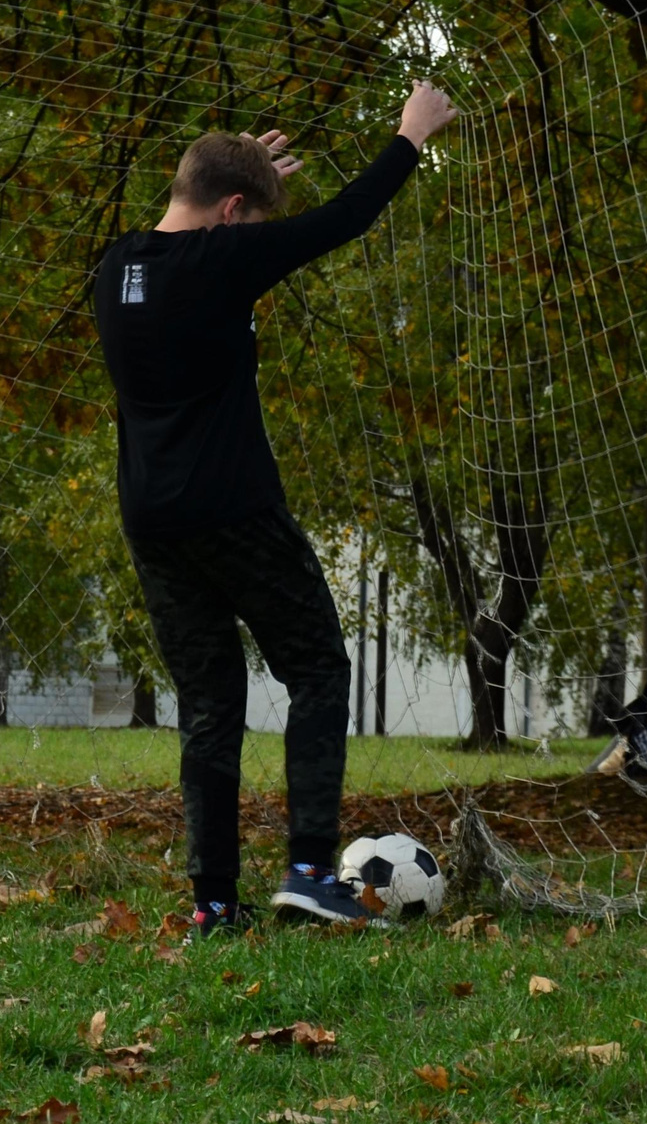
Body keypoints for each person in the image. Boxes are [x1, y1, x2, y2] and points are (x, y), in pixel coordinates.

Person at [93, 81, 461, 934]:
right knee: (318, 669)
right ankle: (307, 869)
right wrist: (408, 138)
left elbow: (212, 219)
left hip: (153, 520)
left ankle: (214, 904)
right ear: (230, 213)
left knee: (211, 705)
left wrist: (244, 178)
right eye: (250, 220)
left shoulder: (116, 267)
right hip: (236, 510)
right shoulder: (227, 259)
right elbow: (345, 219)